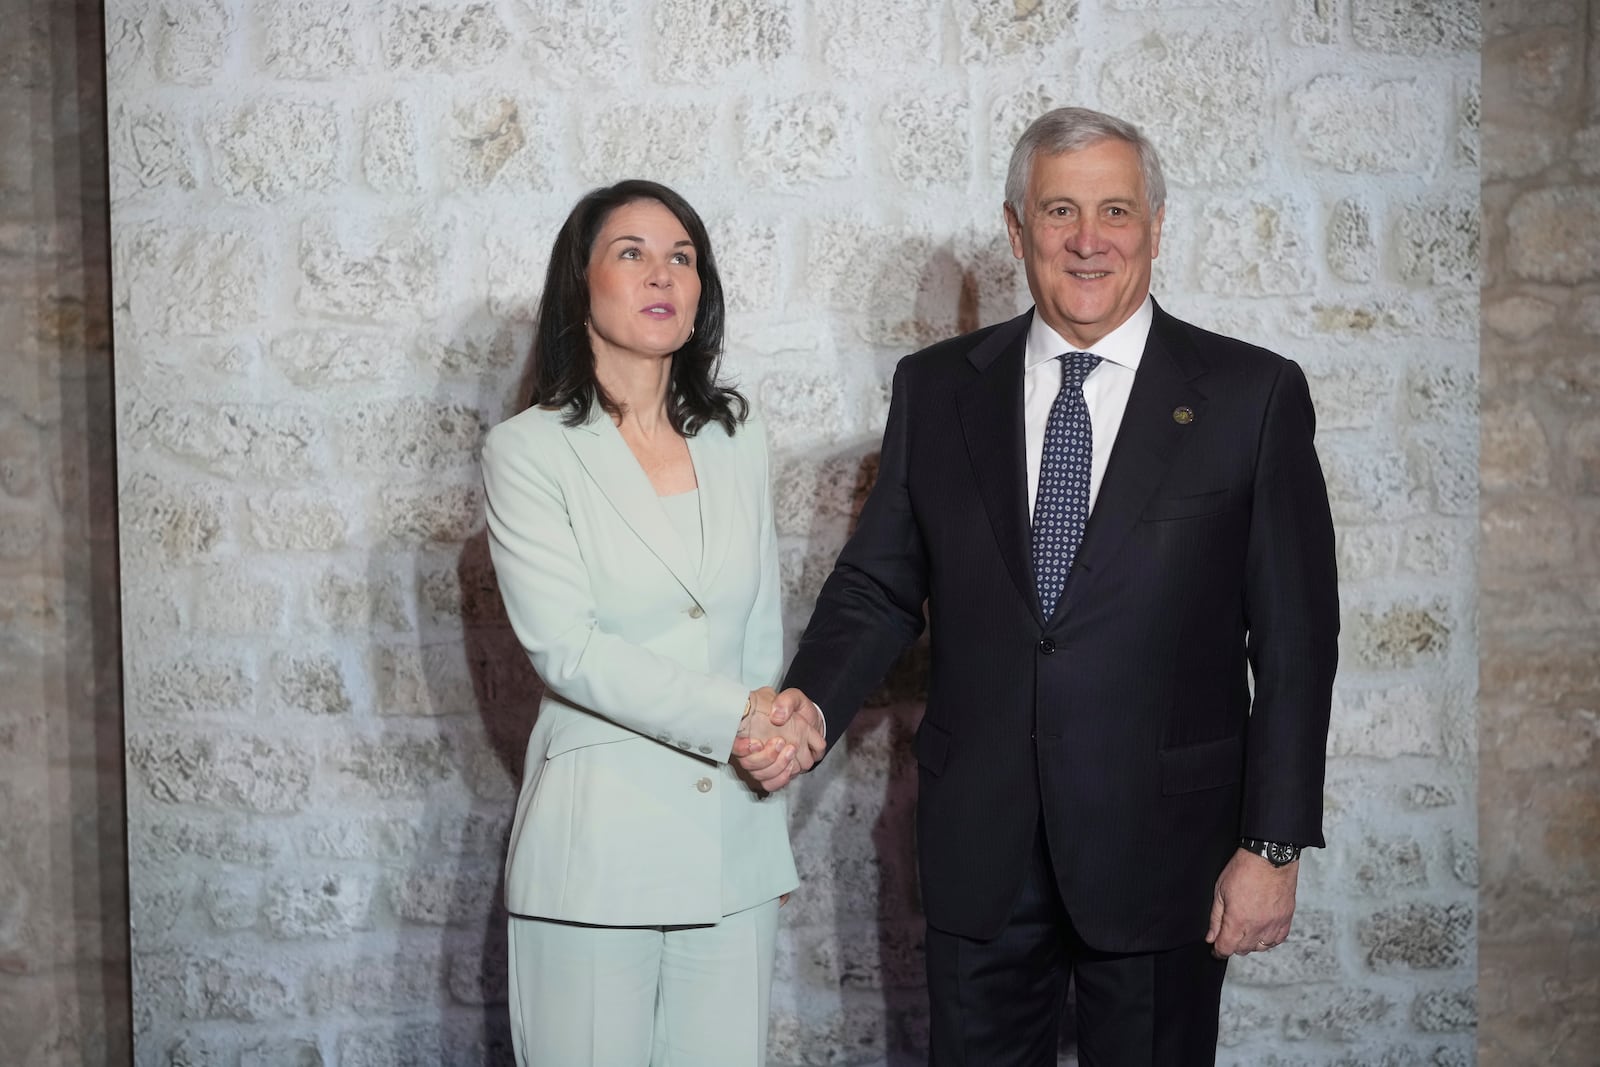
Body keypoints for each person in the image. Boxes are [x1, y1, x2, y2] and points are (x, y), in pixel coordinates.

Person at [736, 107, 1339, 1064]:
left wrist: (1272, 848)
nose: (1088, 240)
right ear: (1018, 230)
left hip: (1166, 851)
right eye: (1060, 211)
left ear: (1155, 224)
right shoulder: (937, 389)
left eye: (1115, 211)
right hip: (983, 847)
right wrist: (809, 700)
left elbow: (1297, 645)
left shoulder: (1251, 396)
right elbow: (880, 584)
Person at [481, 179, 826, 1067]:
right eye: (630, 252)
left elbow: (755, 626)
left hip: (731, 850)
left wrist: (773, 765)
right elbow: (570, 647)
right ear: (581, 282)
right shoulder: (528, 450)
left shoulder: (736, 433)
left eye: (682, 255)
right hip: (596, 852)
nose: (661, 272)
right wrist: (738, 720)